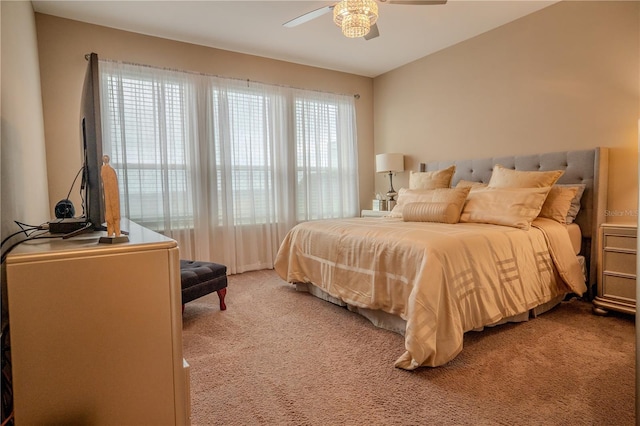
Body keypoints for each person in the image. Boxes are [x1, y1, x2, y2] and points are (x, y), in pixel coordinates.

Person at [101, 155, 121, 237]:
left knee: (113, 211)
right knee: (110, 213)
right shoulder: (104, 170)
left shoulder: (110, 171)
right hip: (108, 198)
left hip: (112, 198)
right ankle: (111, 231)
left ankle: (116, 231)